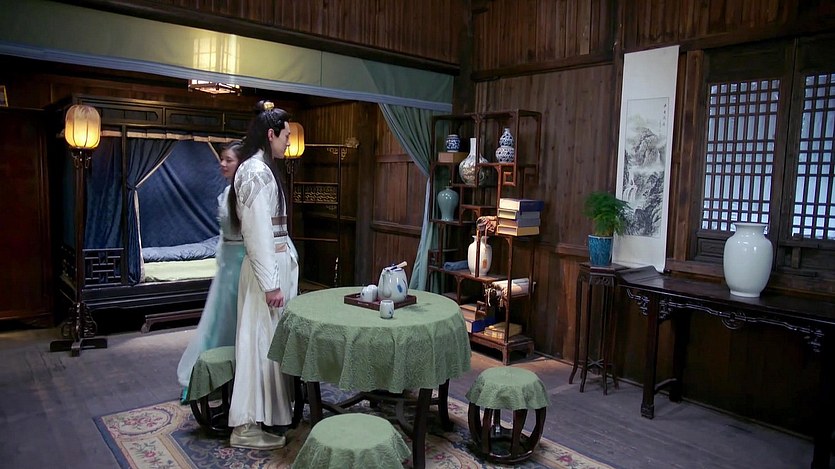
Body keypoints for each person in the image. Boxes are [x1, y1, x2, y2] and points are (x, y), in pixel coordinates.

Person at [227, 100, 299, 450]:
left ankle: (267, 415)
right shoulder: (255, 171)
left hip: (272, 269)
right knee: (258, 344)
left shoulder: (263, 169)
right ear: (271, 134)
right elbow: (256, 233)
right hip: (263, 277)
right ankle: (245, 424)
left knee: (269, 343)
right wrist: (271, 284)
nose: (288, 143)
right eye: (286, 136)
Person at [175, 141, 244, 400]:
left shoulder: (247, 193)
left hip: (243, 261)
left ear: (242, 163)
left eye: (229, 160)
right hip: (228, 263)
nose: (223, 164)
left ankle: (239, 376)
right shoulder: (226, 193)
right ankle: (208, 376)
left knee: (237, 320)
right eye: (222, 159)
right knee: (218, 321)